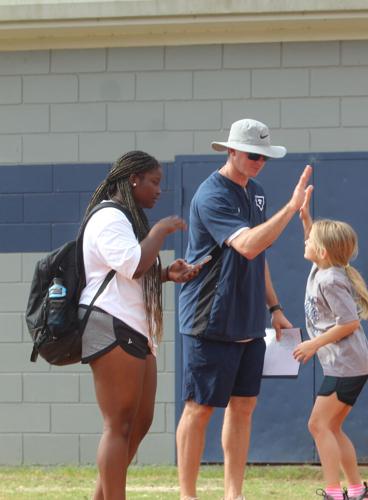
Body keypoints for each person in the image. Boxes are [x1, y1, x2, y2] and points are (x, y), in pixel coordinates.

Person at [175, 118, 313, 500]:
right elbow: (248, 245)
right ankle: (188, 495)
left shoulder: (257, 194)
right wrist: (291, 209)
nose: (259, 162)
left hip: (250, 320)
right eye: (253, 155)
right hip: (210, 319)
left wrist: (275, 307)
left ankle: (233, 495)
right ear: (231, 151)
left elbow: (259, 258)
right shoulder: (211, 195)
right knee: (199, 408)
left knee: (244, 407)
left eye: (265, 156)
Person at [79, 150, 201, 500]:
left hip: (134, 327)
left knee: (140, 422)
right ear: (134, 180)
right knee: (118, 425)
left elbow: (129, 271)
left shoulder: (126, 220)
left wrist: (164, 274)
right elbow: (132, 265)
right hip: (110, 324)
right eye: (154, 182)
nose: (159, 190)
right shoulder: (109, 218)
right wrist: (161, 231)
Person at [293, 198, 368, 500]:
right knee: (332, 427)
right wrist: (306, 219)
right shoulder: (322, 267)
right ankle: (356, 491)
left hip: (347, 364)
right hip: (347, 364)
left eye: (311, 240)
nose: (306, 242)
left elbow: (349, 323)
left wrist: (314, 344)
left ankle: (334, 492)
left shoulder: (330, 279)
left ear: (323, 252)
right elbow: (314, 242)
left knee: (317, 425)